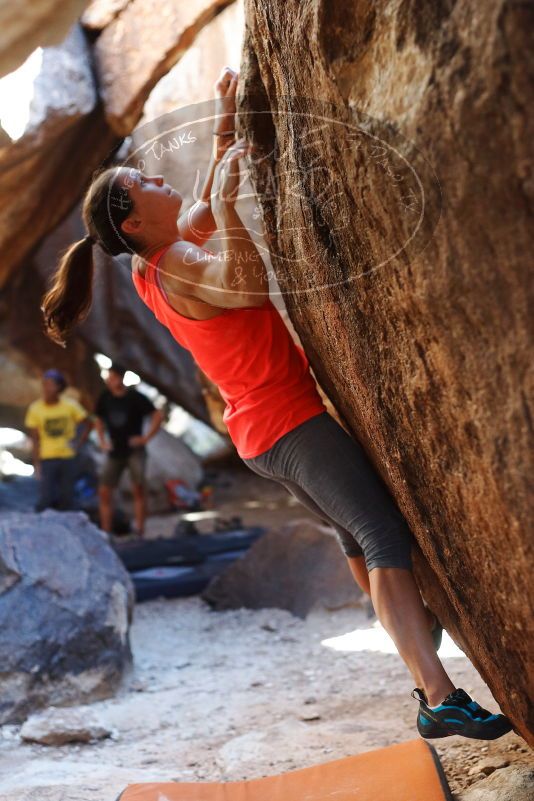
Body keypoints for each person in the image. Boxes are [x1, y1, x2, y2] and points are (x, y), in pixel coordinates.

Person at [40, 66, 513, 741]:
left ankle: (409, 630)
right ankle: (436, 694)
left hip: (263, 435)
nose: (158, 178)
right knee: (383, 537)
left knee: (358, 538)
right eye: (145, 183)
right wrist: (232, 211)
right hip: (289, 423)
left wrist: (227, 124)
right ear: (134, 219)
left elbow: (201, 207)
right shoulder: (178, 268)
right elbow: (243, 284)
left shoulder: (157, 257)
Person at [94, 362, 163, 536]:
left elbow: (157, 415)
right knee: (104, 490)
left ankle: (139, 530)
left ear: (121, 378)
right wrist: (102, 441)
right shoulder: (104, 398)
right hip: (115, 450)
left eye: (113, 378)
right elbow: (98, 420)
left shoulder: (135, 397)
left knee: (138, 488)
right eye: (108, 378)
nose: (110, 382)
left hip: (134, 450)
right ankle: (106, 532)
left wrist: (145, 438)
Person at [25, 369, 92, 511]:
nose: (47, 388)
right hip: (48, 457)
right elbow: (35, 438)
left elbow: (88, 422)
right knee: (46, 497)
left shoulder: (70, 405)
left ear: (59, 387)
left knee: (67, 496)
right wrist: (36, 462)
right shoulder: (35, 408)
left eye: (51, 385)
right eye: (45, 385)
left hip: (68, 456)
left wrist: (79, 443)